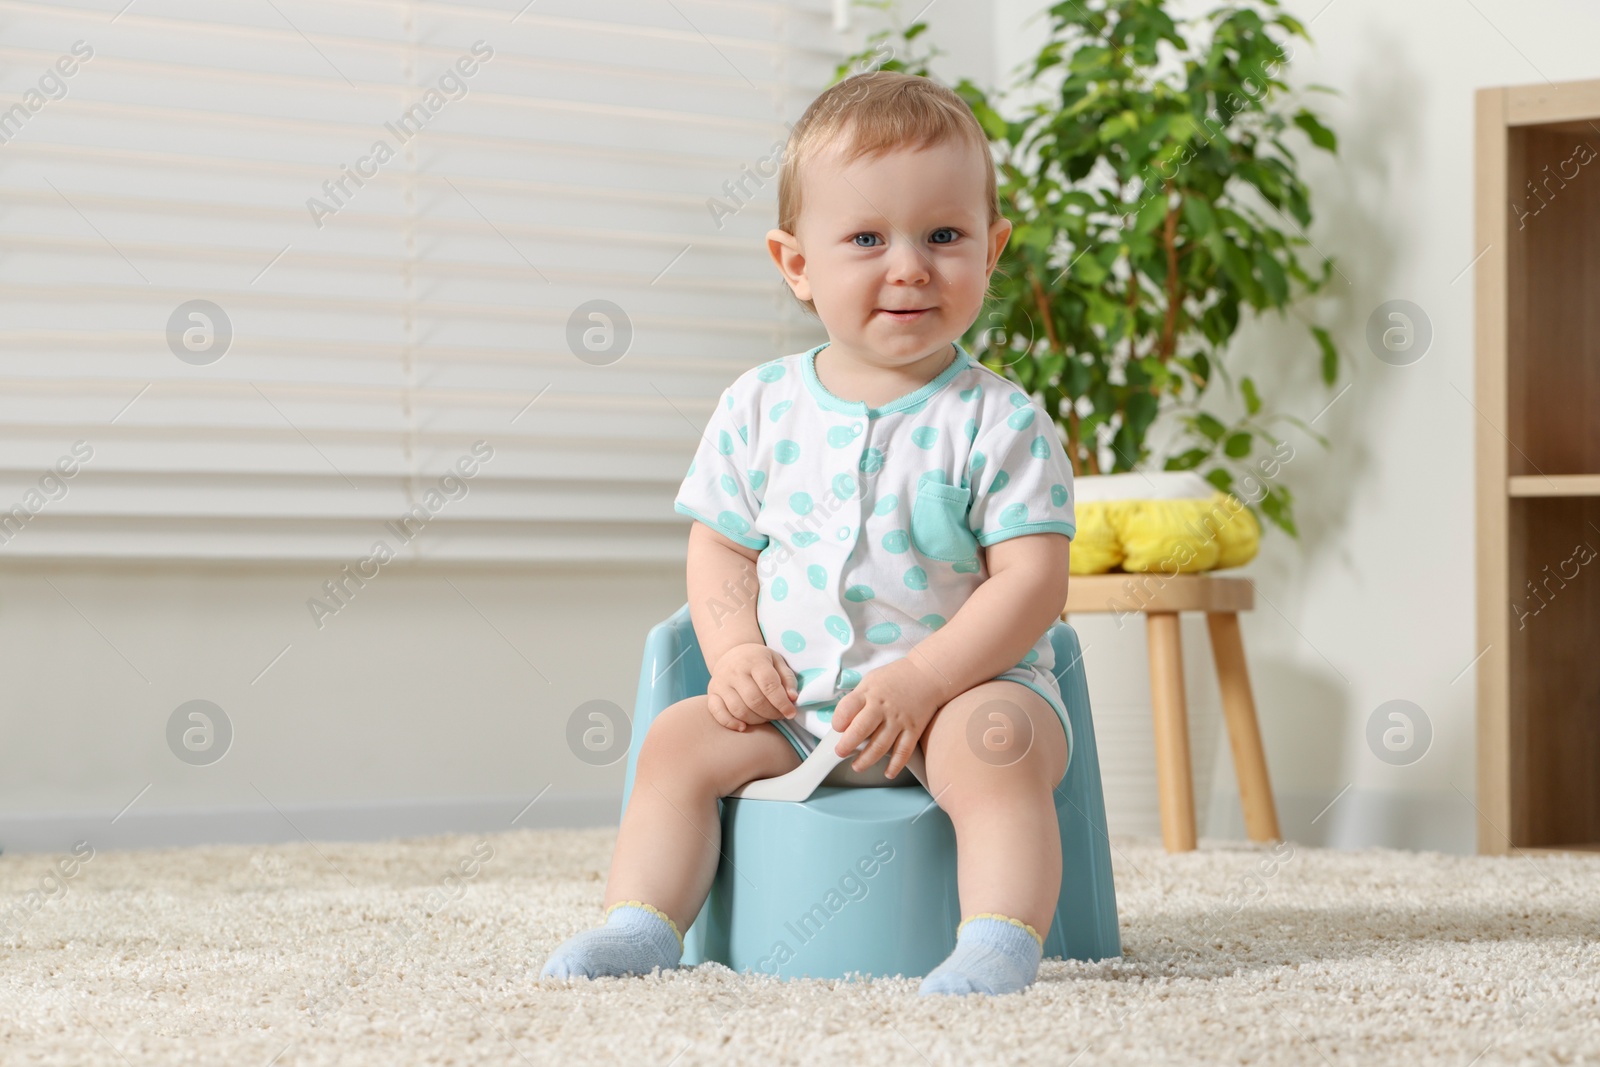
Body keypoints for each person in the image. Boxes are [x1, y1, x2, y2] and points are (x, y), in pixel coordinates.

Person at [540, 70, 1076, 996]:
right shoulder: (758, 406)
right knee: (675, 743)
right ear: (796, 265)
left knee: (1000, 742)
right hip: (795, 713)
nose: (908, 265)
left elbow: (1033, 583)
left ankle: (998, 939)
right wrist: (735, 647)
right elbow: (720, 546)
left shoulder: (1000, 419)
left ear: (992, 251)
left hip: (958, 696)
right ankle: (641, 925)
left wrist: (929, 679)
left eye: (944, 236)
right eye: (866, 238)